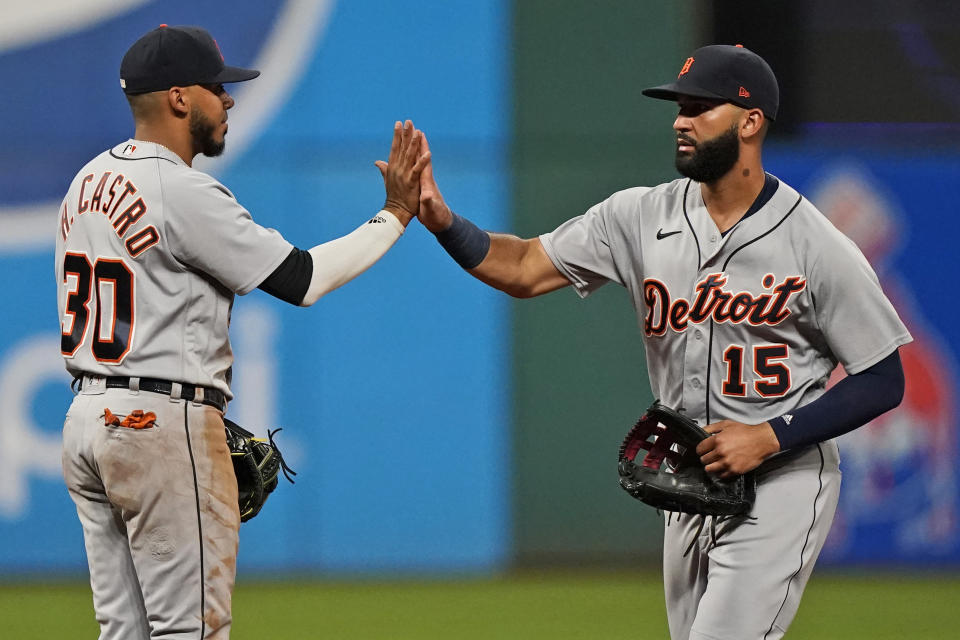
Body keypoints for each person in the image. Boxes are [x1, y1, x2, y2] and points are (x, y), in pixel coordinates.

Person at [413, 44, 912, 640]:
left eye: (701, 106)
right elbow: (522, 268)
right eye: (679, 106)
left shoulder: (816, 245)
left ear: (750, 121)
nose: (680, 119)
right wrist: (442, 220)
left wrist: (769, 437)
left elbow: (885, 377)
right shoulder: (638, 216)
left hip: (782, 478)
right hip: (687, 476)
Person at [56, 24, 428, 639]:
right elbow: (302, 279)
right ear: (179, 98)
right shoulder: (180, 189)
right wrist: (394, 215)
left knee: (123, 630)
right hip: (158, 421)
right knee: (191, 629)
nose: (228, 100)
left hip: (87, 421)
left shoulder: (85, 181)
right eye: (217, 88)